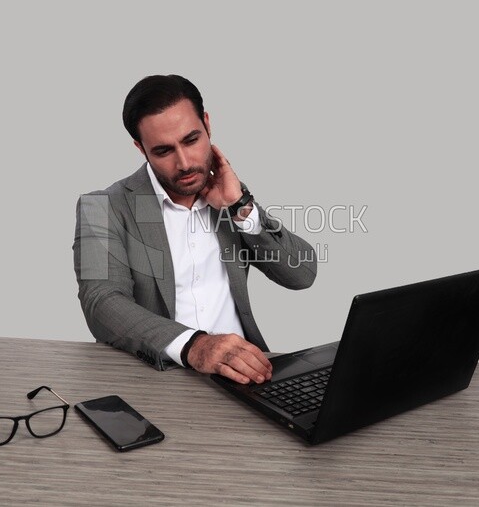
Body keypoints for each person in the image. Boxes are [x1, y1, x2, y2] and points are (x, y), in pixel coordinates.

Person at [73, 75, 317, 384]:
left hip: (245, 377)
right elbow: (102, 302)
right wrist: (194, 345)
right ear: (140, 148)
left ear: (207, 123)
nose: (186, 163)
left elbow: (302, 274)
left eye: (191, 140)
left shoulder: (230, 194)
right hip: (160, 378)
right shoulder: (100, 208)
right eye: (163, 151)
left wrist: (240, 206)